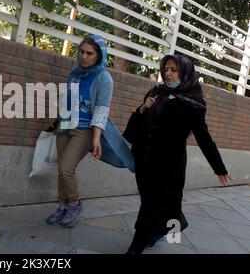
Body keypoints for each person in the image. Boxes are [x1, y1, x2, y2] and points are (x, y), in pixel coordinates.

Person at [124, 54, 233, 254]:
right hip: (145, 160)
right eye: (166, 69)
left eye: (174, 70)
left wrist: (219, 168)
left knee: (150, 206)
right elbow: (136, 128)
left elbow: (204, 138)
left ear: (185, 73)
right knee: (150, 202)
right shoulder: (156, 92)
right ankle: (162, 228)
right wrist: (143, 107)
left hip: (168, 166)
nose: (168, 73)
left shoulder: (194, 104)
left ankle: (136, 244)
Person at [45, 35, 114, 228]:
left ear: (99, 56)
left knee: (67, 167)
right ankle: (62, 206)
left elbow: (102, 108)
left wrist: (97, 138)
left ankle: (74, 204)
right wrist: (58, 116)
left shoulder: (104, 78)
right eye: (82, 52)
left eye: (90, 53)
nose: (84, 56)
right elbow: (68, 97)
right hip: (65, 125)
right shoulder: (74, 73)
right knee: (61, 169)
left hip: (84, 129)